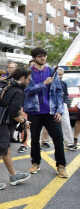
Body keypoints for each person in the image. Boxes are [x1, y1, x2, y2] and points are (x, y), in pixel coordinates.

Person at [0, 68, 32, 190]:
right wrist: (24, 121)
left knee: (5, 148)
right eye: (29, 80)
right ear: (23, 78)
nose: (29, 82)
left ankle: (13, 175)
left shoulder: (5, 84)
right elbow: (14, 112)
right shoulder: (17, 91)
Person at [24, 47, 69, 178]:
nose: (43, 58)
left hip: (51, 111)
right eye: (39, 56)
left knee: (58, 139)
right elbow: (26, 91)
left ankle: (61, 166)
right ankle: (35, 163)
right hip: (34, 111)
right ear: (34, 58)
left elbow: (59, 92)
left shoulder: (51, 71)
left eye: (44, 56)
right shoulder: (28, 73)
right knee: (35, 140)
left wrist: (59, 111)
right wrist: (44, 83)